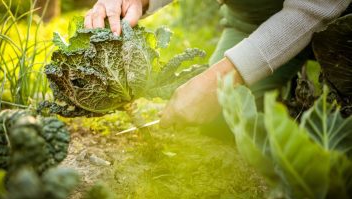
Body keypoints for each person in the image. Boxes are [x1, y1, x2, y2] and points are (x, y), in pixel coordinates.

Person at [84, 0, 351, 128]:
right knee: (219, 122)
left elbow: (312, 9)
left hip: (340, 24)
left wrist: (225, 75)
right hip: (254, 18)